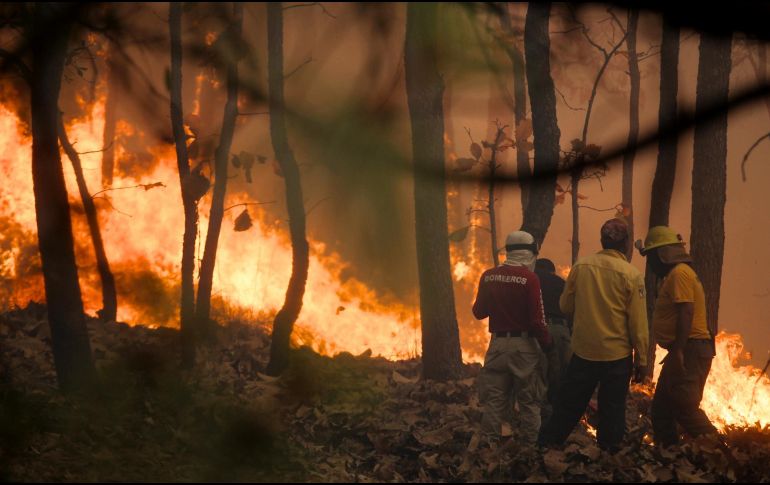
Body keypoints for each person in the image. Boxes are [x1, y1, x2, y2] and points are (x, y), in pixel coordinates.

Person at [539, 219, 648, 451]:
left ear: (602, 241)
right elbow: (638, 323)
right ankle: (608, 454)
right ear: (626, 244)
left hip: (584, 351)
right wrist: (642, 359)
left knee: (569, 404)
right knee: (613, 409)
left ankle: (546, 446)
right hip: (617, 356)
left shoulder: (581, 267)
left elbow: (565, 306)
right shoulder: (632, 275)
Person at [638, 226, 719, 446]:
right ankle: (670, 455)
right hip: (686, 348)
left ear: (662, 254)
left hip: (689, 349)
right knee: (662, 409)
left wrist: (679, 352)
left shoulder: (679, 274)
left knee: (685, 407)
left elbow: (686, 311)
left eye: (651, 256)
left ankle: (723, 454)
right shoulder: (677, 274)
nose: (650, 263)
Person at [472, 230, 552, 445]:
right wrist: (548, 345)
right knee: (529, 401)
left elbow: (479, 312)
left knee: (494, 401)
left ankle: (488, 448)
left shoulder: (488, 276)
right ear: (530, 252)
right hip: (524, 348)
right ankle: (530, 448)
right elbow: (537, 321)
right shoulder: (530, 279)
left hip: (497, 346)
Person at [534, 258, 571, 421]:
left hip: (538, 330)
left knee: (539, 374)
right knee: (560, 373)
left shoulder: (530, 280)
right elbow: (571, 309)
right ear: (552, 271)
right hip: (561, 329)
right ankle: (558, 415)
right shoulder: (561, 283)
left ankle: (540, 414)